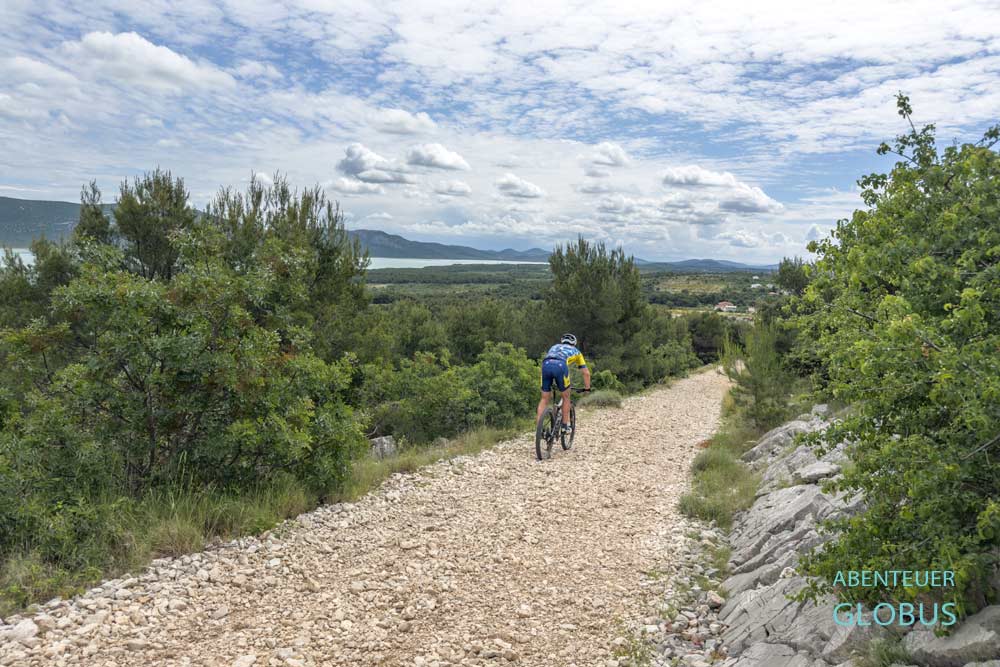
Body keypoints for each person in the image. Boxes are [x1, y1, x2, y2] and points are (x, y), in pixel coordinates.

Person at [537, 333, 591, 433]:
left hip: (546, 364)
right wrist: (587, 389)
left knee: (544, 398)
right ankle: (565, 426)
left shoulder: (554, 346)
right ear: (574, 343)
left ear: (562, 341)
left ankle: (539, 429)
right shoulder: (576, 352)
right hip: (560, 366)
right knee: (566, 396)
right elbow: (586, 373)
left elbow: (552, 360)